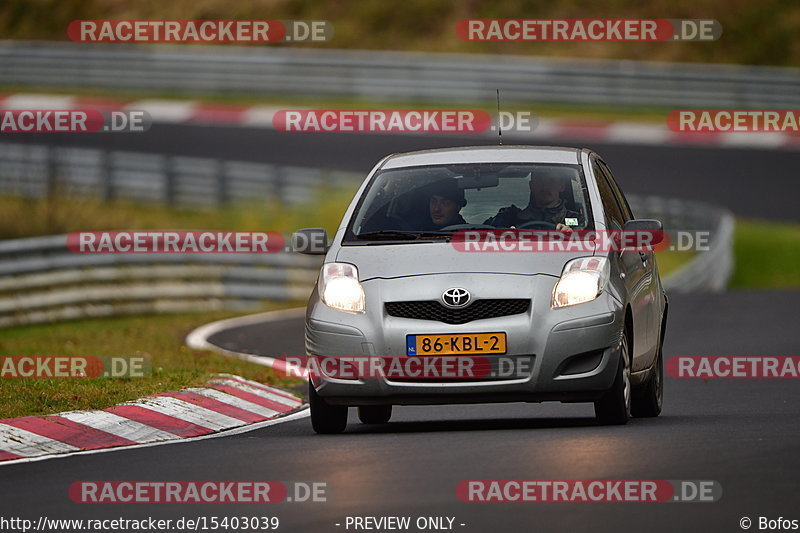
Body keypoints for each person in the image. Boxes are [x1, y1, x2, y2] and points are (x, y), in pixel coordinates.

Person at [484, 169, 583, 231]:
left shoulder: (579, 220)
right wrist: (503, 233)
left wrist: (572, 236)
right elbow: (483, 233)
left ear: (561, 186)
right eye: (539, 180)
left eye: (551, 181)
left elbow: (589, 243)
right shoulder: (511, 218)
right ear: (531, 186)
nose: (545, 186)